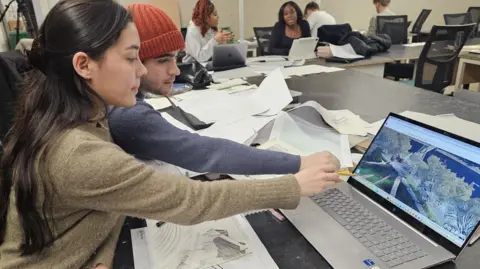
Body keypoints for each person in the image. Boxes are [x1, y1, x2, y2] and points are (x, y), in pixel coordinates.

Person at [0, 1, 341, 268]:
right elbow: (190, 201)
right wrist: (292, 184)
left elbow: (89, 215)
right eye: (134, 58)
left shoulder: (73, 116)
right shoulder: (80, 149)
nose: (142, 70)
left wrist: (97, 254)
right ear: (83, 65)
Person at [109, 3, 322, 178]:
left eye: (175, 58)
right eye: (163, 60)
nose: (175, 70)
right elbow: (207, 154)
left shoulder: (125, 102)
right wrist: (299, 163)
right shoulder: (128, 115)